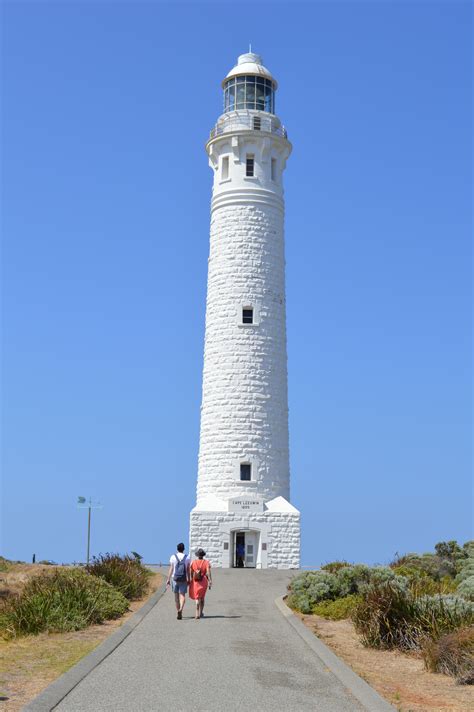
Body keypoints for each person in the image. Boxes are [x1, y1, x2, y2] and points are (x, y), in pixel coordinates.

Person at [166, 542, 191, 620]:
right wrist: (189, 579)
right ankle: (181, 610)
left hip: (175, 579)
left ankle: (178, 611)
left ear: (177, 549)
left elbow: (171, 568)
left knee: (176, 597)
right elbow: (188, 570)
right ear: (184, 549)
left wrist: (168, 579)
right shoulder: (187, 557)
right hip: (183, 579)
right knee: (182, 595)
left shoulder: (173, 557)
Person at [189, 548, 212, 620]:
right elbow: (208, 572)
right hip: (204, 581)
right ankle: (201, 612)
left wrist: (191, 579)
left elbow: (191, 572)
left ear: (197, 555)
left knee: (197, 596)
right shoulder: (206, 562)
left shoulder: (193, 562)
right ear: (203, 555)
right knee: (202, 597)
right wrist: (210, 580)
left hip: (196, 581)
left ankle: (197, 609)